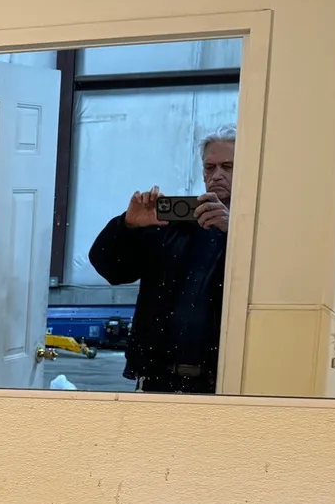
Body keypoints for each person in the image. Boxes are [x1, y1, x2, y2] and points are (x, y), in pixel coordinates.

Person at [87, 127, 235, 393]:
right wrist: (128, 225)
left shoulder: (256, 233)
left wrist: (235, 230)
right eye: (209, 168)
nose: (217, 176)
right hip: (158, 378)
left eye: (228, 167)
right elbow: (111, 269)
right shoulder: (174, 226)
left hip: (224, 381)